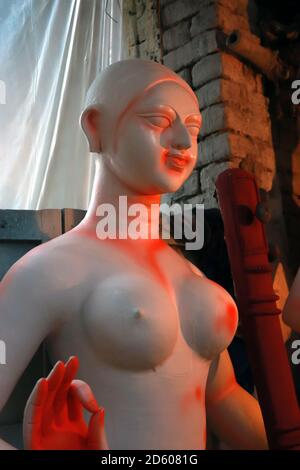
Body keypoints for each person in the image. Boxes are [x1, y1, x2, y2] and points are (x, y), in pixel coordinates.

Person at [0, 59, 267, 450]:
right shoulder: (51, 270)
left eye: (193, 128)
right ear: (96, 127)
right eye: (159, 120)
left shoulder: (191, 275)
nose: (184, 142)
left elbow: (223, 395)